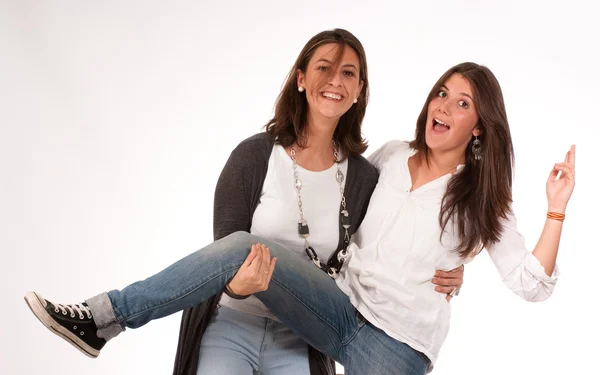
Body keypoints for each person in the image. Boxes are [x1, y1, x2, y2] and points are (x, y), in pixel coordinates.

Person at [24, 29, 463, 375]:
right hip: (232, 321)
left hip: (302, 336)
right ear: (301, 78)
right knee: (238, 246)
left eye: (348, 73)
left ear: (359, 89)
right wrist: (238, 286)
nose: (335, 81)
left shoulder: (367, 174)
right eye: (324, 68)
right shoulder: (255, 156)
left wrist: (454, 263)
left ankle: (103, 318)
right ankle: (104, 315)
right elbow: (218, 259)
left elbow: (409, 214)